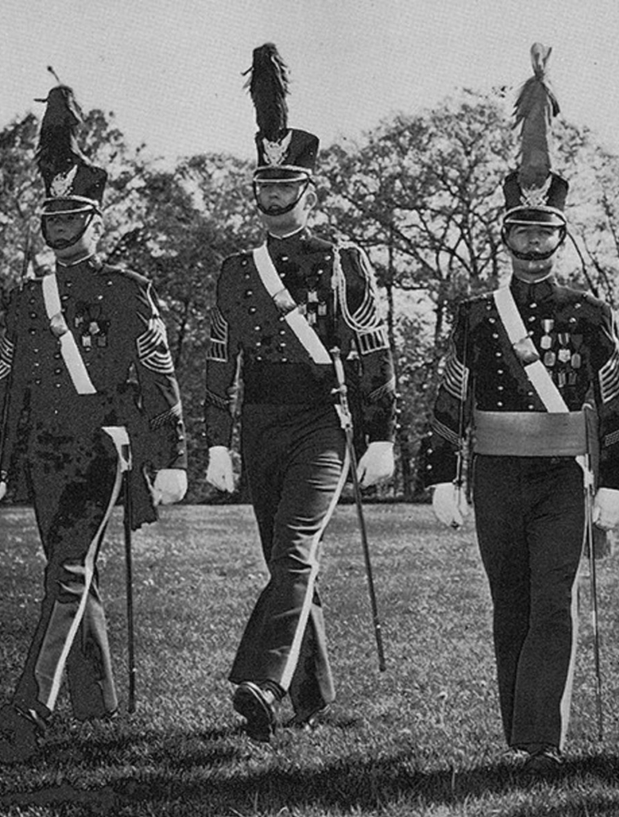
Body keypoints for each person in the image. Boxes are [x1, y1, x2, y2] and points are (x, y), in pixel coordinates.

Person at [426, 44, 619, 772]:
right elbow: (452, 393)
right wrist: (439, 475)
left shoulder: (587, 309)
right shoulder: (476, 313)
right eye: (524, 233)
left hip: (559, 476)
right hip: (495, 474)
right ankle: (521, 732)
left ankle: (541, 739)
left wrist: (616, 481)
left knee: (554, 601)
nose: (536, 245)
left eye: (546, 234)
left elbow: (612, 397)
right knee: (510, 603)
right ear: (507, 237)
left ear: (561, 237)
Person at [0, 80, 187, 751]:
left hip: (99, 447)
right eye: (53, 218)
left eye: (74, 218)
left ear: (97, 221)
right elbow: (7, 388)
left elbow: (159, 378)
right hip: (41, 450)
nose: (61, 227)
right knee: (72, 570)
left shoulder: (127, 291)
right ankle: (96, 703)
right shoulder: (24, 297)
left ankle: (31, 704)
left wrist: (170, 456)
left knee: (65, 570)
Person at [204, 44, 397, 742]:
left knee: (295, 553)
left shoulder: (342, 260)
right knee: (285, 561)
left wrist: (380, 435)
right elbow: (218, 360)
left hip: (322, 421)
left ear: (307, 189)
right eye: (266, 182)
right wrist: (216, 445)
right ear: (255, 188)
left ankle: (260, 679)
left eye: (287, 183)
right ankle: (311, 696)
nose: (275, 193)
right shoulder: (235, 270)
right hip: (259, 422)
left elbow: (369, 347)